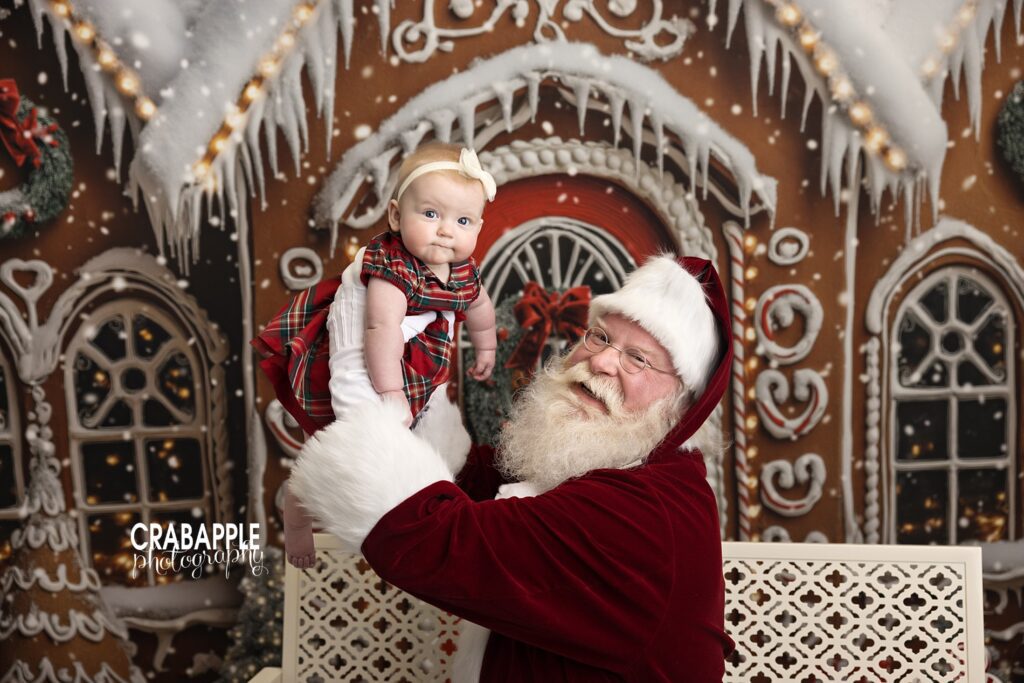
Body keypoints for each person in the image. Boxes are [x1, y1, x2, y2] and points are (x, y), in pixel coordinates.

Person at [289, 253, 736, 681]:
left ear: (682, 406)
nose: (599, 361)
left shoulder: (641, 513)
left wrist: (364, 421)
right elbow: (480, 485)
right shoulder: (622, 462)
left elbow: (439, 542)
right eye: (600, 336)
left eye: (637, 358)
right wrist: (400, 378)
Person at [252, 144, 499, 568]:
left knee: (433, 449)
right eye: (431, 214)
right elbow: (378, 330)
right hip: (369, 365)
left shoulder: (461, 270)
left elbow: (479, 305)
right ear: (395, 215)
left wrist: (487, 344)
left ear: (477, 226)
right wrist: (389, 393)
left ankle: (413, 532)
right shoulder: (389, 269)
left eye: (462, 221)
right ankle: (297, 520)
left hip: (417, 372)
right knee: (343, 443)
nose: (445, 231)